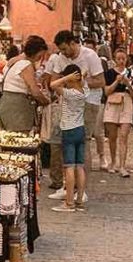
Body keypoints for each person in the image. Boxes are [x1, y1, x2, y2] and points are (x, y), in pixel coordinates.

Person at [45, 31, 105, 198]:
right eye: (61, 50)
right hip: (66, 104)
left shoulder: (90, 56)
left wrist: (78, 83)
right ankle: (68, 187)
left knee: (82, 142)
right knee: (64, 141)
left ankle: (81, 190)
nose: (64, 53)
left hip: (88, 102)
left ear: (73, 43)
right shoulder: (60, 58)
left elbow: (101, 81)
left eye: (65, 49)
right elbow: (54, 80)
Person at [49, 63, 88, 212]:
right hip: (80, 129)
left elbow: (53, 85)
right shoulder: (84, 91)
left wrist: (66, 78)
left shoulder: (69, 93)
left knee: (69, 167)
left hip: (69, 130)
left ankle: (69, 202)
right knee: (80, 166)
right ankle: (80, 200)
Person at [0, 35, 49, 132]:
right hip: (17, 107)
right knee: (20, 139)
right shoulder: (25, 65)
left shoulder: (14, 61)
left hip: (5, 104)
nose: (39, 59)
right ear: (34, 52)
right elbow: (35, 92)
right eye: (40, 56)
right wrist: (46, 101)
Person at [103, 49, 133, 176]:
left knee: (124, 136)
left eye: (123, 59)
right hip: (112, 103)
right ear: (115, 59)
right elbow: (106, 92)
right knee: (112, 137)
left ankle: (122, 165)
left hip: (126, 103)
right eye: (119, 59)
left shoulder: (132, 73)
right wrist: (117, 81)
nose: (121, 61)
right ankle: (113, 162)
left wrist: (128, 83)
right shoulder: (109, 73)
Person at [82, 34, 111, 169]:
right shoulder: (80, 61)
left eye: (90, 49)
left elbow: (101, 82)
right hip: (82, 100)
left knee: (98, 132)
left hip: (97, 100)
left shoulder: (100, 62)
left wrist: (82, 82)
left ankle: (102, 156)